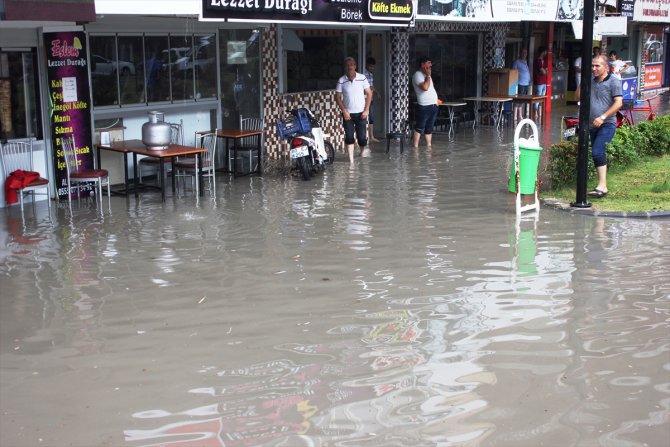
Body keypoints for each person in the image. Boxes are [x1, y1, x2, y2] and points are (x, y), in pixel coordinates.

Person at [587, 54, 623, 198]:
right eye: (592, 66)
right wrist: (583, 82)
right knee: (596, 153)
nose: (594, 68)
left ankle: (603, 186)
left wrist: (603, 117)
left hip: (607, 124)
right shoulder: (591, 81)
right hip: (592, 124)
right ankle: (600, 184)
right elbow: (578, 97)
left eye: (597, 66)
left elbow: (619, 103)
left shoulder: (613, 82)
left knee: (597, 151)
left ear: (606, 67)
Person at [335, 57, 372, 164]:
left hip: (361, 113)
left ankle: (361, 153)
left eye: (352, 65)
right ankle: (351, 161)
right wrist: (344, 110)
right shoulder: (341, 80)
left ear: (355, 66)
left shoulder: (362, 78)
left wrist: (366, 110)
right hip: (348, 115)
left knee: (361, 138)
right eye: (347, 65)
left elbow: (369, 93)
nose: (350, 67)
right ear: (345, 67)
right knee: (349, 136)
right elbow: (337, 97)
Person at [411, 56, 439, 148]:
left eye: (430, 63)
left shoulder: (428, 75)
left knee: (429, 128)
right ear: (422, 65)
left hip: (434, 105)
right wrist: (427, 75)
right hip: (424, 105)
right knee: (420, 126)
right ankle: (415, 147)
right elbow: (425, 88)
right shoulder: (417, 75)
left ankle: (429, 146)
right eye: (428, 63)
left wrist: (428, 75)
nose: (430, 65)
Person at [364, 57, 382, 143]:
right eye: (370, 66)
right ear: (367, 65)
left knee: (371, 117)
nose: (372, 68)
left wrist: (377, 92)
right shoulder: (364, 74)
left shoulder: (371, 74)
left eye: (373, 66)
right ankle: (368, 137)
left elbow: (372, 86)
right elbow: (367, 86)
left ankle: (371, 136)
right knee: (367, 117)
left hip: (370, 99)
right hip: (365, 99)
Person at [512, 48, 530, 123]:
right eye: (523, 52)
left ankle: (520, 115)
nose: (524, 54)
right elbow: (513, 71)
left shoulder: (525, 61)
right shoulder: (517, 62)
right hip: (520, 83)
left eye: (525, 53)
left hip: (526, 83)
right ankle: (515, 115)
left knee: (522, 100)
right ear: (520, 53)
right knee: (518, 100)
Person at [533, 46, 548, 123]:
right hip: (538, 82)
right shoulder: (537, 61)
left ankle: (540, 113)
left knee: (542, 98)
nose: (546, 53)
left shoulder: (543, 61)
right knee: (537, 97)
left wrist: (545, 71)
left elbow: (546, 71)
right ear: (543, 52)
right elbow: (544, 71)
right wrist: (545, 71)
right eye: (545, 51)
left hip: (544, 82)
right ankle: (535, 112)